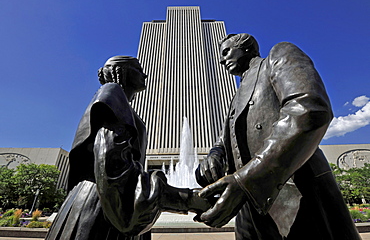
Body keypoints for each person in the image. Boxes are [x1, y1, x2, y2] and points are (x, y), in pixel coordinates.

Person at [195, 34, 361, 239]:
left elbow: (308, 109)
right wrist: (215, 155)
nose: (222, 60)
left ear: (246, 47)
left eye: (227, 51)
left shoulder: (278, 55)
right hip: (250, 208)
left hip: (297, 194)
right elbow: (224, 139)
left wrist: (246, 179)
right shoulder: (235, 97)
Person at [47, 56, 210, 240]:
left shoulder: (116, 103)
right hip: (100, 209)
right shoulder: (112, 101)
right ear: (122, 71)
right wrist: (187, 198)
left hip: (103, 203)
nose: (145, 74)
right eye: (139, 69)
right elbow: (115, 171)